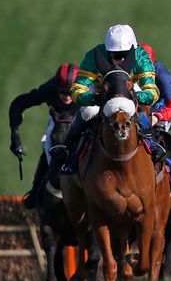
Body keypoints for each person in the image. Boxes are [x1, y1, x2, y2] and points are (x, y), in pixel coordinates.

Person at [48, 24, 161, 174]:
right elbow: (77, 91)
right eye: (115, 55)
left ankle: (152, 143)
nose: (120, 60)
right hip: (102, 90)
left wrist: (133, 96)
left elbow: (152, 92)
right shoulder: (94, 56)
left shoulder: (141, 57)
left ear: (133, 50)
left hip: (129, 89)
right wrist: (95, 98)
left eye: (124, 55)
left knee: (141, 110)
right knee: (88, 111)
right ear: (107, 51)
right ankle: (68, 151)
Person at [8, 63, 78, 208]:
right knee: (48, 147)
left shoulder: (89, 89)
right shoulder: (49, 88)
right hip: (58, 120)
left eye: (70, 92)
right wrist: (14, 135)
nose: (66, 96)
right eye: (62, 92)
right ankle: (35, 191)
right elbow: (18, 104)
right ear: (56, 87)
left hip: (82, 118)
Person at [138, 43, 171, 190]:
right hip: (129, 111)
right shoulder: (124, 70)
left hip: (156, 113)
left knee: (161, 138)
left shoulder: (161, 72)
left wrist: (158, 116)